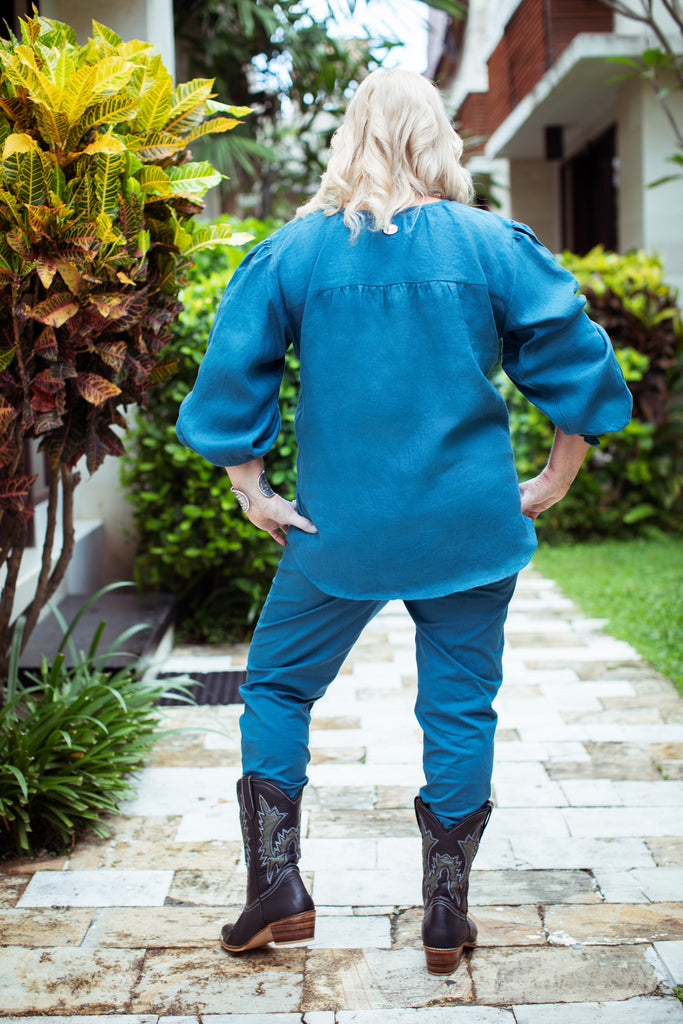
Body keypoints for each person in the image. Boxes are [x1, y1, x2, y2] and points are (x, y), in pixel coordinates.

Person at [176, 68, 632, 975]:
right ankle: (444, 918)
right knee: (459, 709)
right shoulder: (491, 244)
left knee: (274, 690)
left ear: (351, 139)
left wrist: (252, 491)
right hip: (468, 530)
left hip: (337, 537)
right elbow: (577, 357)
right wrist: (553, 477)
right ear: (438, 138)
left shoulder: (296, 253)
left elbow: (234, 374)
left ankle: (275, 890)